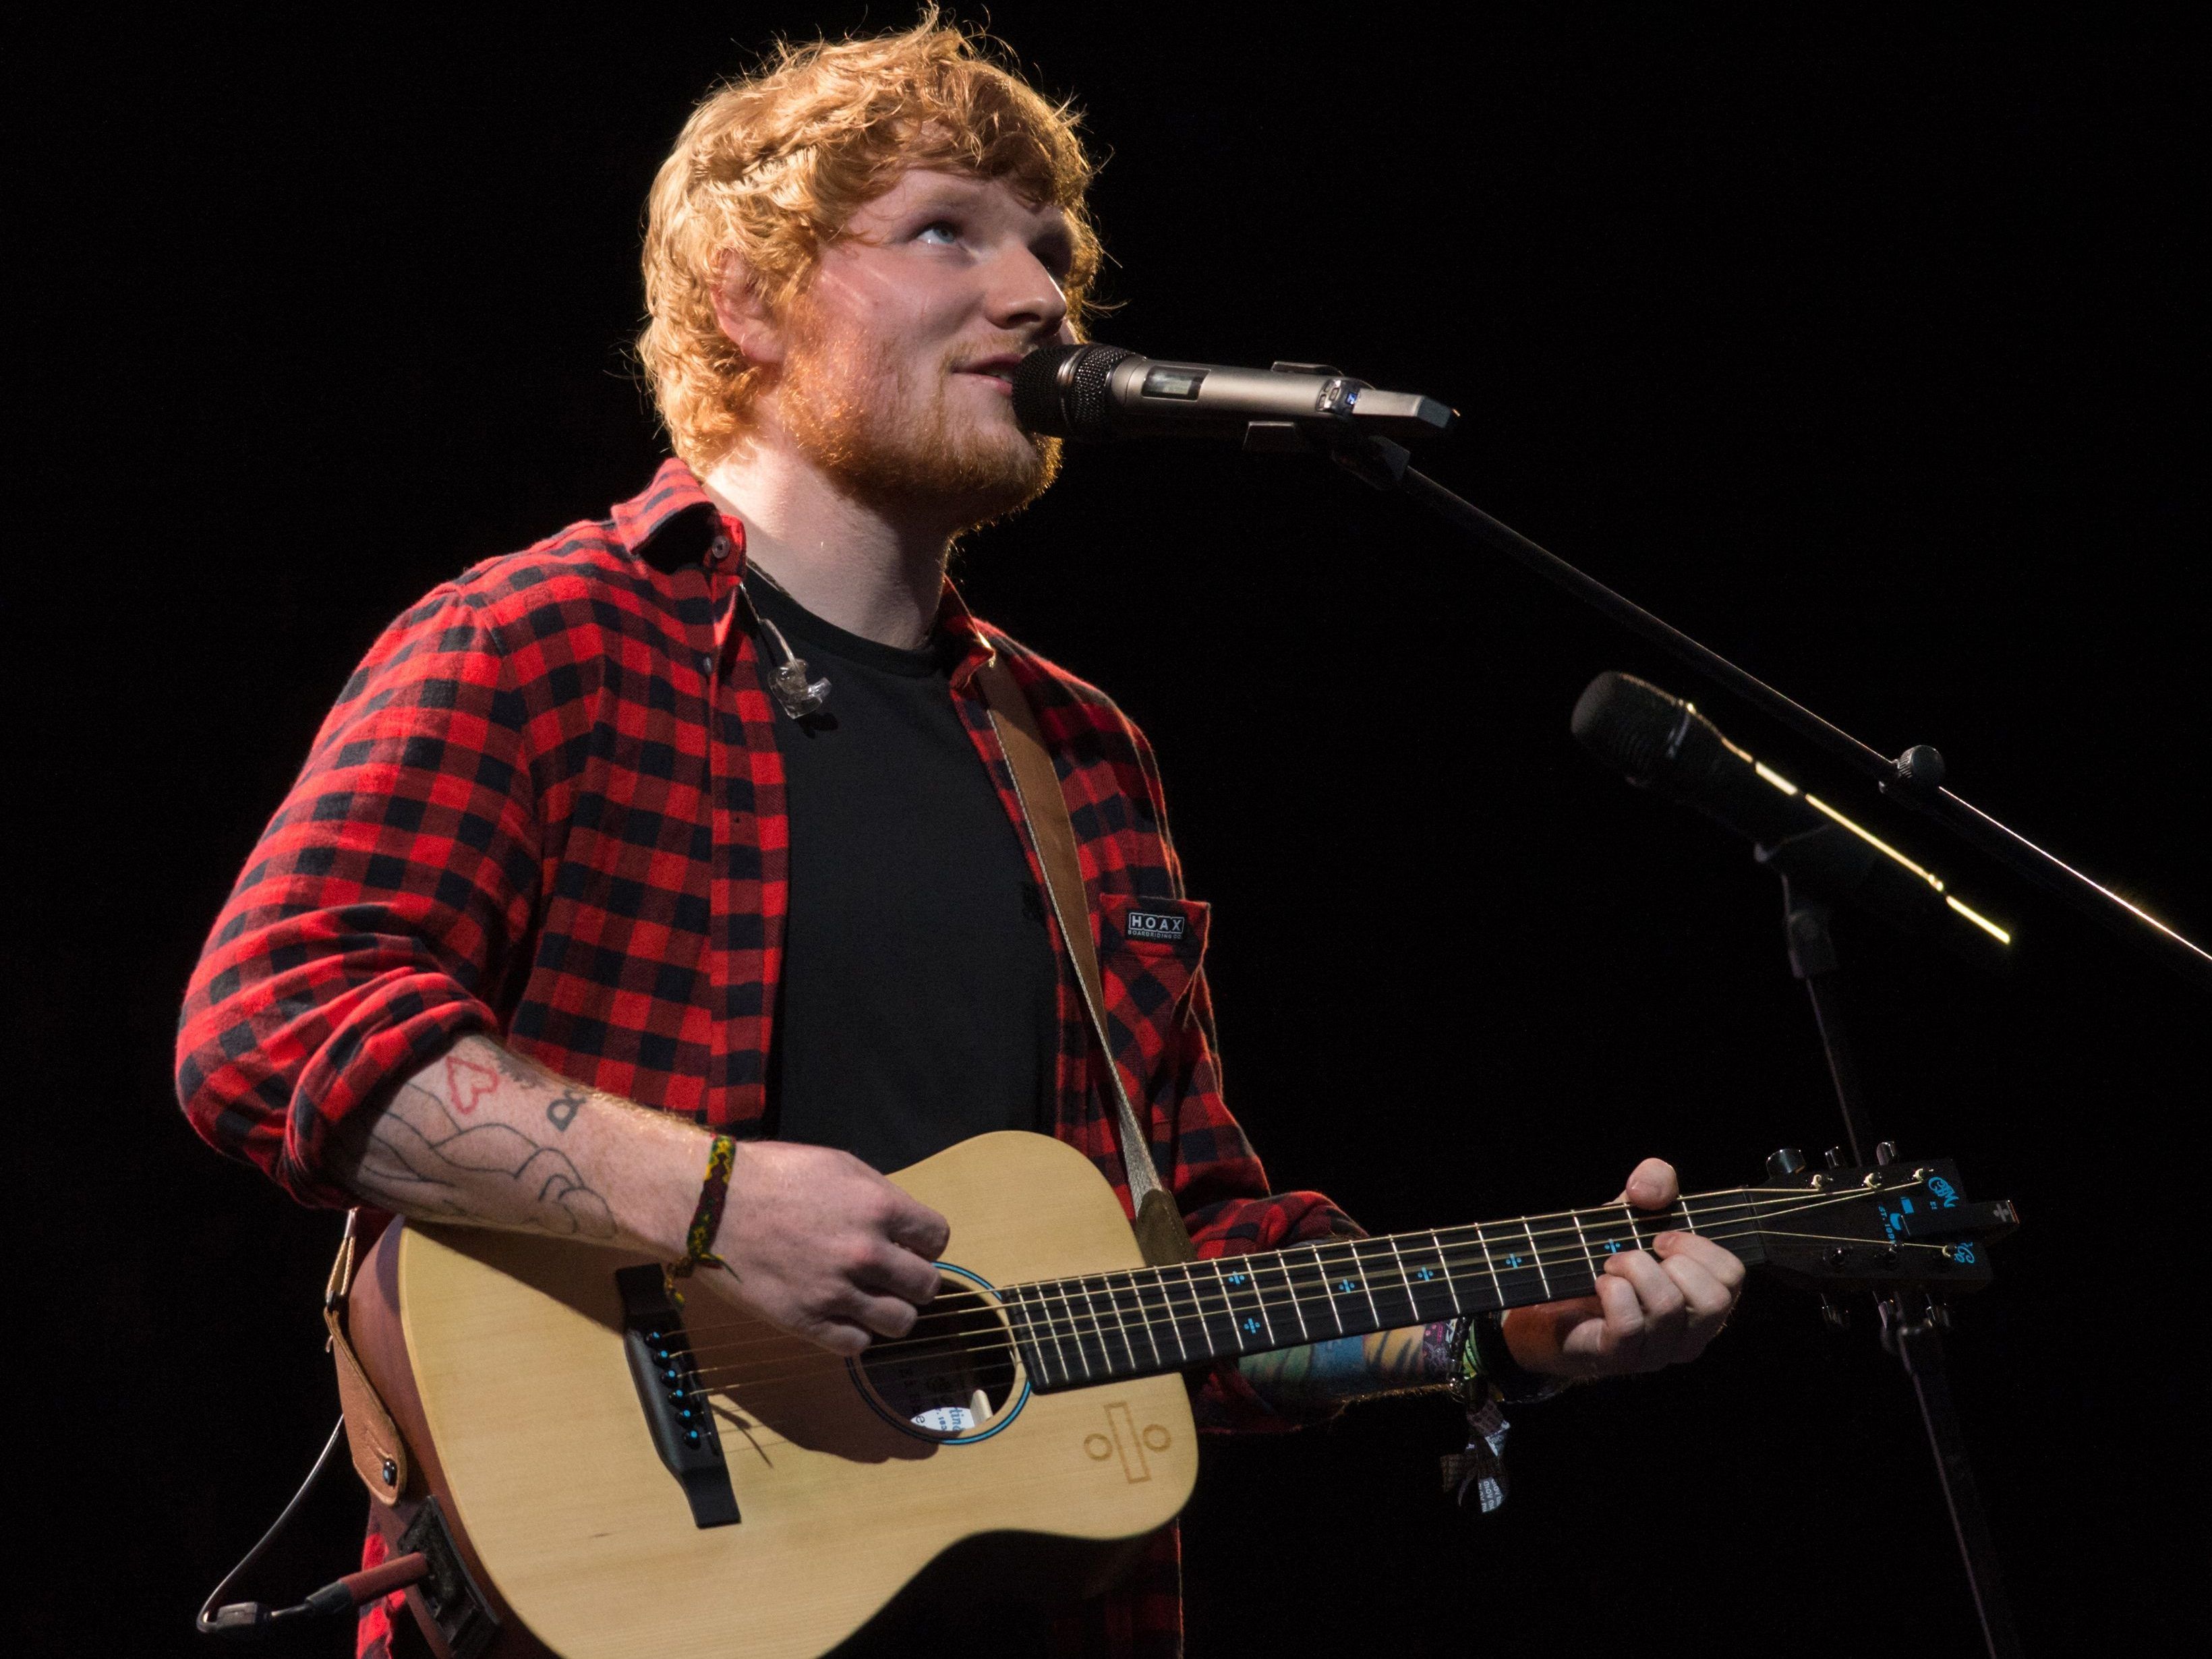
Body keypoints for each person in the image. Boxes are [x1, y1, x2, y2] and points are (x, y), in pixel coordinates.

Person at [175, 18, 1745, 1658]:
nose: (1038, 297)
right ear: (746, 295)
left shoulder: (1078, 751)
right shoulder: (544, 639)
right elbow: (265, 1023)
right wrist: (709, 1202)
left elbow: (1187, 1274)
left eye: (1052, 251)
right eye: (947, 231)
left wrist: (1493, 1332)